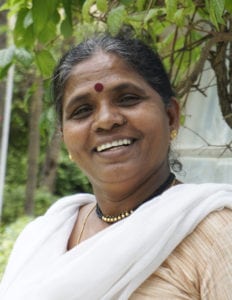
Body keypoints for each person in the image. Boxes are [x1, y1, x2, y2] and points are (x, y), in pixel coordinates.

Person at [0, 34, 232, 300]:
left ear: (171, 117)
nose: (106, 120)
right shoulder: (40, 238)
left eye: (128, 98)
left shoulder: (218, 236)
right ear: (65, 139)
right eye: (82, 110)